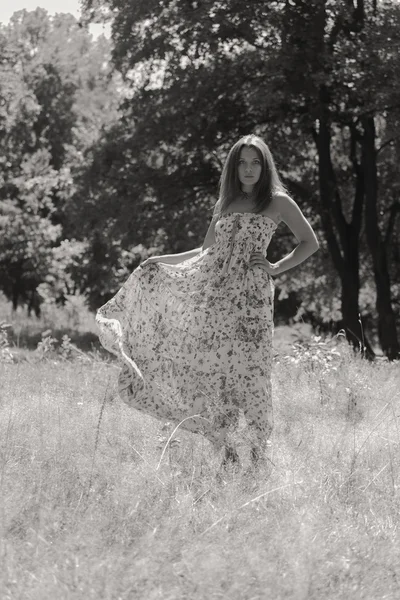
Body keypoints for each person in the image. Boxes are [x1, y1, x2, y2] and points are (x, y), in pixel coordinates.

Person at [96, 134, 319, 469]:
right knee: (217, 374)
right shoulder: (225, 203)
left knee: (252, 374)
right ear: (233, 166)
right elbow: (205, 253)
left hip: (253, 301)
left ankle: (258, 454)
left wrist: (275, 267)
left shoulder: (278, 201)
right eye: (242, 162)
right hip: (215, 299)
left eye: (255, 162)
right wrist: (160, 259)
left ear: (265, 165)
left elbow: (309, 242)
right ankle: (227, 451)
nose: (248, 169)